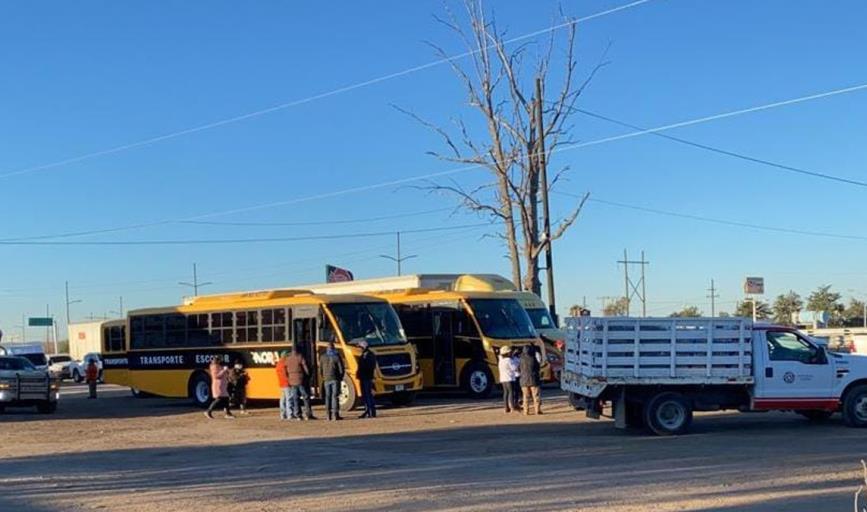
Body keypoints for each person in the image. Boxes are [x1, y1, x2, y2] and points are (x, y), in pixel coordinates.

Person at [285, 347, 313, 420]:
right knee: (305, 396)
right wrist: (308, 375)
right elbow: (305, 367)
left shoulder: (288, 359)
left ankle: (298, 415)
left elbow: (285, 369)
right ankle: (308, 414)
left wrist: (288, 377)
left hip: (292, 381)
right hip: (300, 380)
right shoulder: (300, 357)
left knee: (295, 398)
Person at [319, 342, 345, 421]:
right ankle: (335, 415)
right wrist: (340, 378)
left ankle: (328, 415)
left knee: (328, 397)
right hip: (335, 379)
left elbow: (320, 369)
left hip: (326, 379)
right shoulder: (336, 357)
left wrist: (323, 377)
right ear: (333, 348)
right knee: (335, 396)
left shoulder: (322, 357)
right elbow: (341, 369)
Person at [356, 340, 378, 419]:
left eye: (360, 347)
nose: (359, 349)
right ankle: (368, 411)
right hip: (366, 377)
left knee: (367, 395)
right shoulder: (367, 355)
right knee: (367, 395)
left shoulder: (367, 355)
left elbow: (367, 367)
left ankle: (370, 412)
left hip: (366, 377)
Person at [519, 345, 542, 415]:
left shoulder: (521, 359)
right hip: (534, 379)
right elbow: (538, 368)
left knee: (525, 397)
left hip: (523, 380)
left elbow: (519, 368)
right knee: (536, 396)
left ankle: (526, 411)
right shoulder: (533, 358)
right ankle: (537, 410)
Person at [497, 346, 518, 413]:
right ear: (507, 353)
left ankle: (506, 407)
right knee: (511, 392)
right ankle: (512, 407)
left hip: (503, 379)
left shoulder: (501, 360)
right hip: (509, 378)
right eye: (510, 352)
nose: (511, 353)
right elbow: (514, 368)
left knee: (506, 393)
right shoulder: (509, 360)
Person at [275, 351, 293, 420]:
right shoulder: (284, 364)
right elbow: (286, 374)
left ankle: (282, 415)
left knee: (282, 399)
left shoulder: (278, 364)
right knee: (289, 399)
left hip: (281, 383)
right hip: (286, 383)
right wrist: (289, 381)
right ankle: (290, 414)